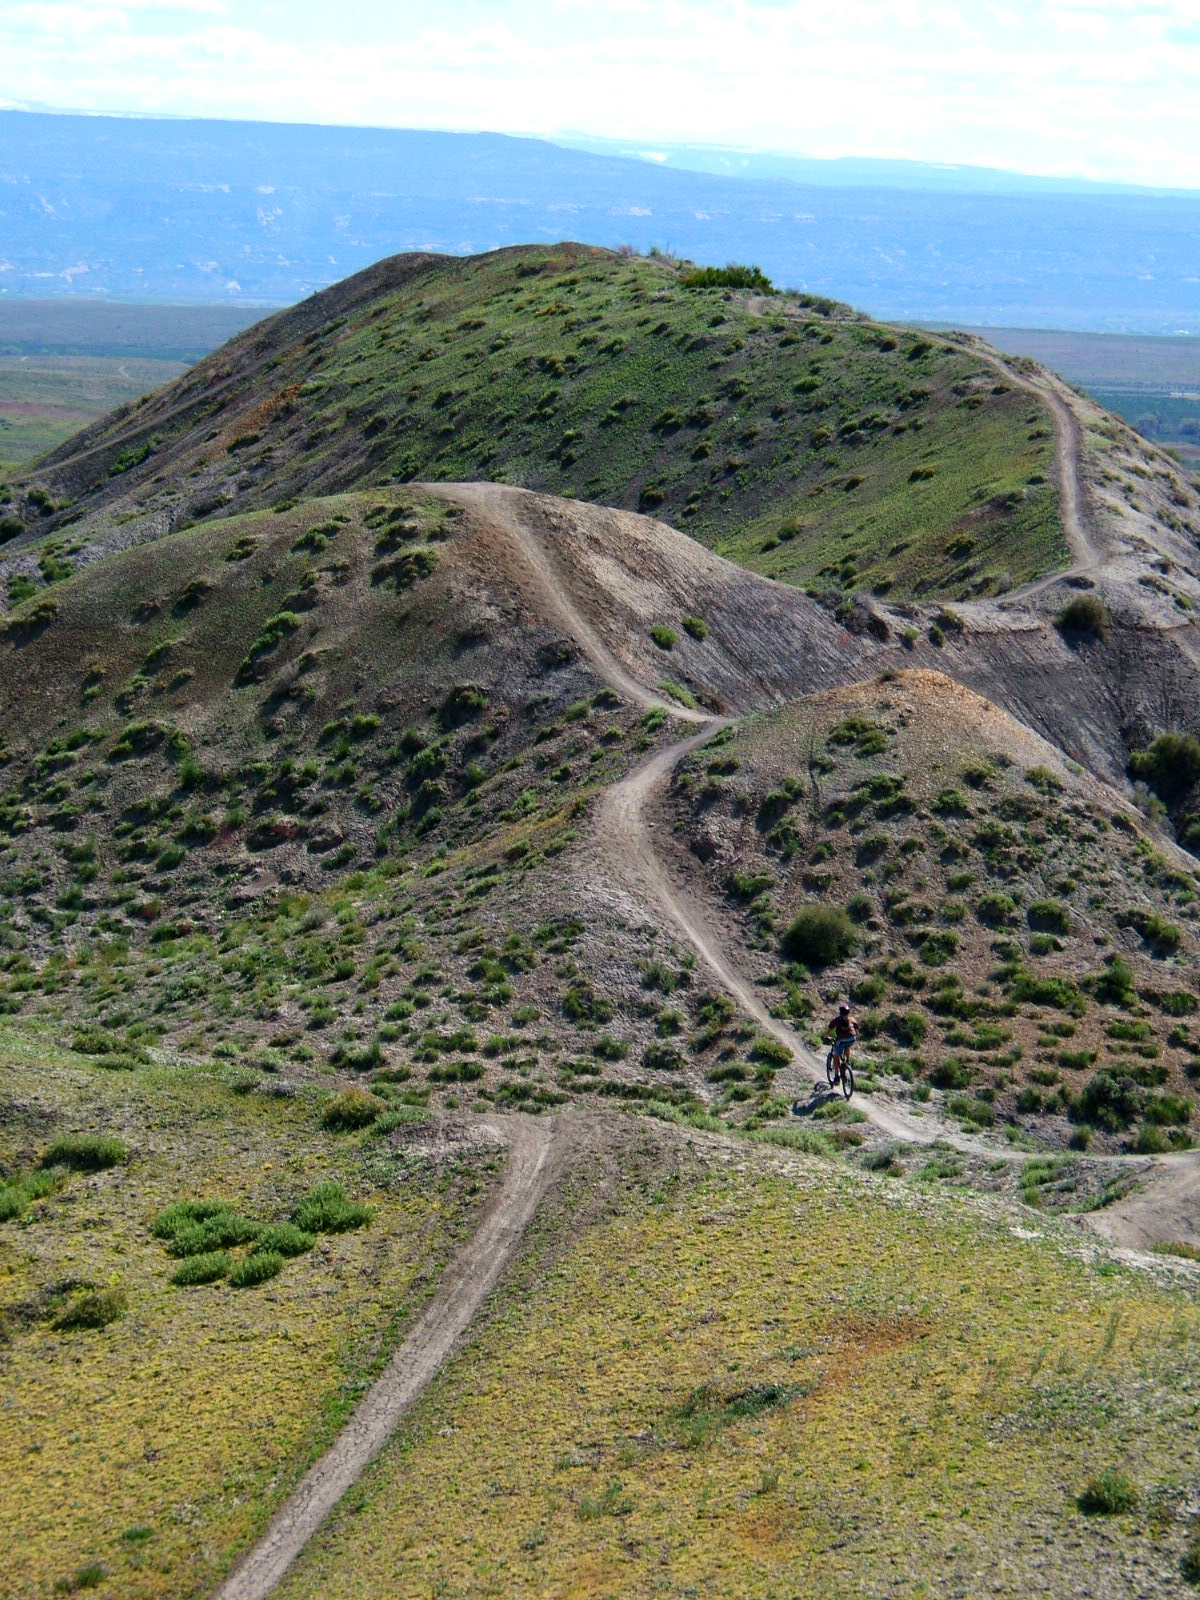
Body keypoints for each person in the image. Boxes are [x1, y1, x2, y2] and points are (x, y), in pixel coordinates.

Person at [824, 1001, 858, 1082]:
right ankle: (847, 1062)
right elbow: (857, 1033)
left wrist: (825, 1037)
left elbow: (828, 1031)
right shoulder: (852, 1019)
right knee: (848, 1045)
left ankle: (837, 1077)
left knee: (836, 1055)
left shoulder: (837, 1020)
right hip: (852, 1038)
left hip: (841, 1040)